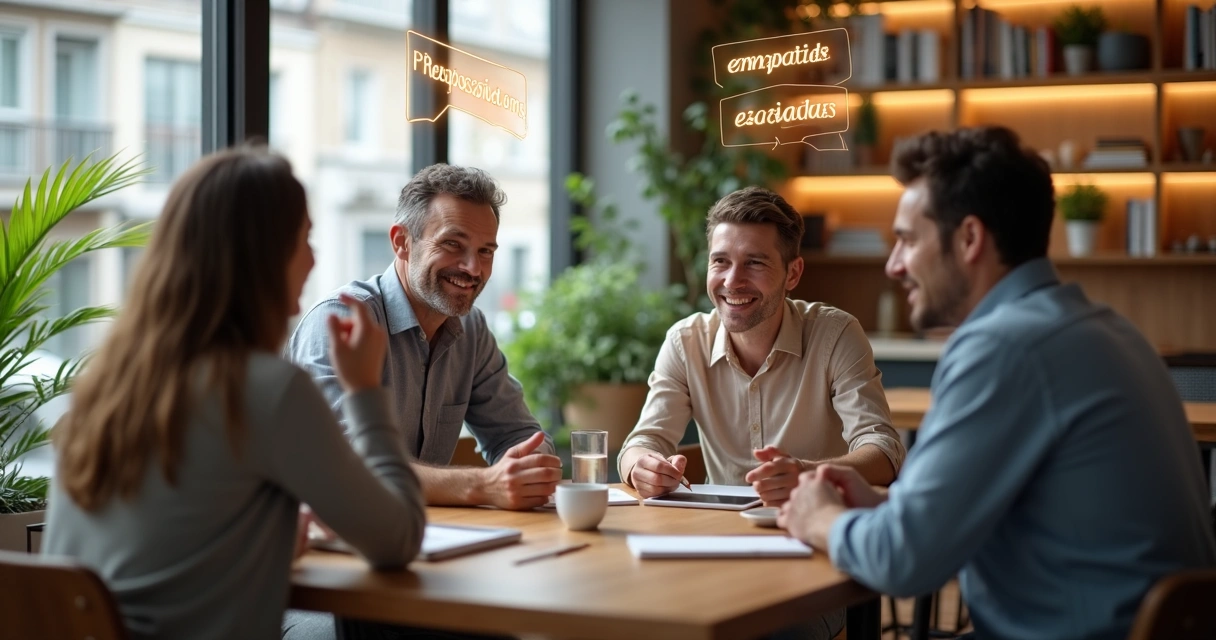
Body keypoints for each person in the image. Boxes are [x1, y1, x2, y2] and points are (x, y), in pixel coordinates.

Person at [779, 126, 1216, 640]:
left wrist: (819, 518)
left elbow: (902, 563)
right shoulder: (1109, 331)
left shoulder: (1005, 348)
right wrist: (884, 506)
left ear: (969, 239)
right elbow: (972, 519)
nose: (892, 265)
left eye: (906, 239)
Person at [45, 147, 426, 640]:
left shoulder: (105, 387)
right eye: (304, 237)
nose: (313, 258)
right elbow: (397, 539)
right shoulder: (270, 390)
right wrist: (364, 390)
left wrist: (255, 539)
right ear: (263, 257)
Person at [287, 164, 561, 511]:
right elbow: (344, 469)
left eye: (485, 251)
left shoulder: (471, 329)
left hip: (427, 536)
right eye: (452, 244)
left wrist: (532, 464)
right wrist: (482, 485)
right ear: (402, 243)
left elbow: (517, 435)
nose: (472, 268)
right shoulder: (341, 322)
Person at [617, 186, 904, 508]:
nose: (731, 281)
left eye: (754, 263)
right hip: (718, 529)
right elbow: (643, 441)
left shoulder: (835, 335)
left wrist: (809, 474)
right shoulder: (685, 341)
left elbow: (883, 450)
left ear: (792, 273)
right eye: (720, 261)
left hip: (816, 520)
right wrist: (640, 467)